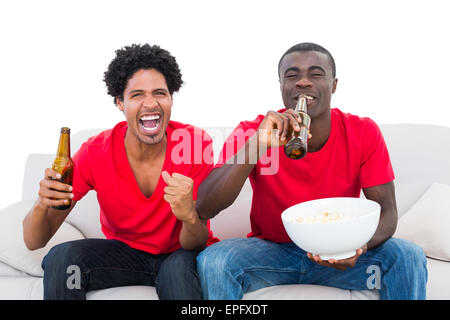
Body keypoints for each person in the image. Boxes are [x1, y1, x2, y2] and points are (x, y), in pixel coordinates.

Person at [195, 42, 427, 300]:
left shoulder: (362, 132)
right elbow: (205, 206)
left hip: (339, 254)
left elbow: (387, 211)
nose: (303, 83)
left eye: (316, 74)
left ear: (334, 85)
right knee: (214, 260)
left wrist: (355, 248)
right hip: (273, 254)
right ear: (281, 85)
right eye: (292, 76)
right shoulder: (254, 131)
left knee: (407, 256)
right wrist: (257, 144)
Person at [22, 43, 218, 300]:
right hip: (125, 256)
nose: (150, 103)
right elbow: (34, 241)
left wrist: (189, 216)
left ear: (171, 99)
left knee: (177, 274)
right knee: (62, 259)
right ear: (119, 102)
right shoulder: (95, 152)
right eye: (137, 95)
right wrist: (42, 203)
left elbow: (196, 241)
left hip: (180, 254)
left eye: (160, 93)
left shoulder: (193, 143)